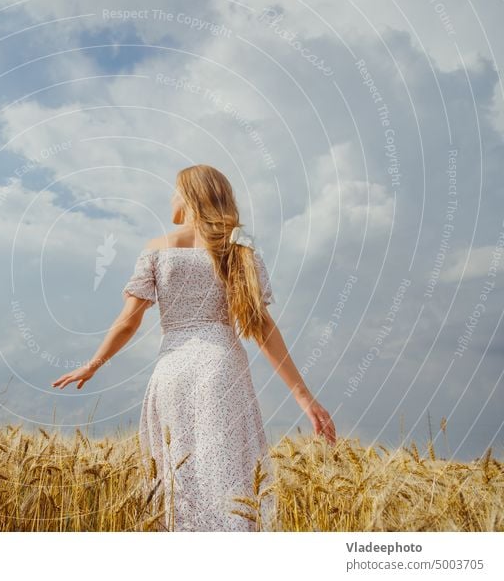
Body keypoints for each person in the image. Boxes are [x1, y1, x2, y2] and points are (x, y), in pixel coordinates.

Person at [51, 164, 336, 531]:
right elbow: (261, 326)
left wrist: (94, 363)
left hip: (173, 371)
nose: (170, 199)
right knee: (231, 479)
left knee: (177, 483)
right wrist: (303, 397)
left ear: (188, 197)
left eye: (174, 191)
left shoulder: (156, 249)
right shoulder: (239, 247)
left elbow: (128, 322)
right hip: (223, 368)